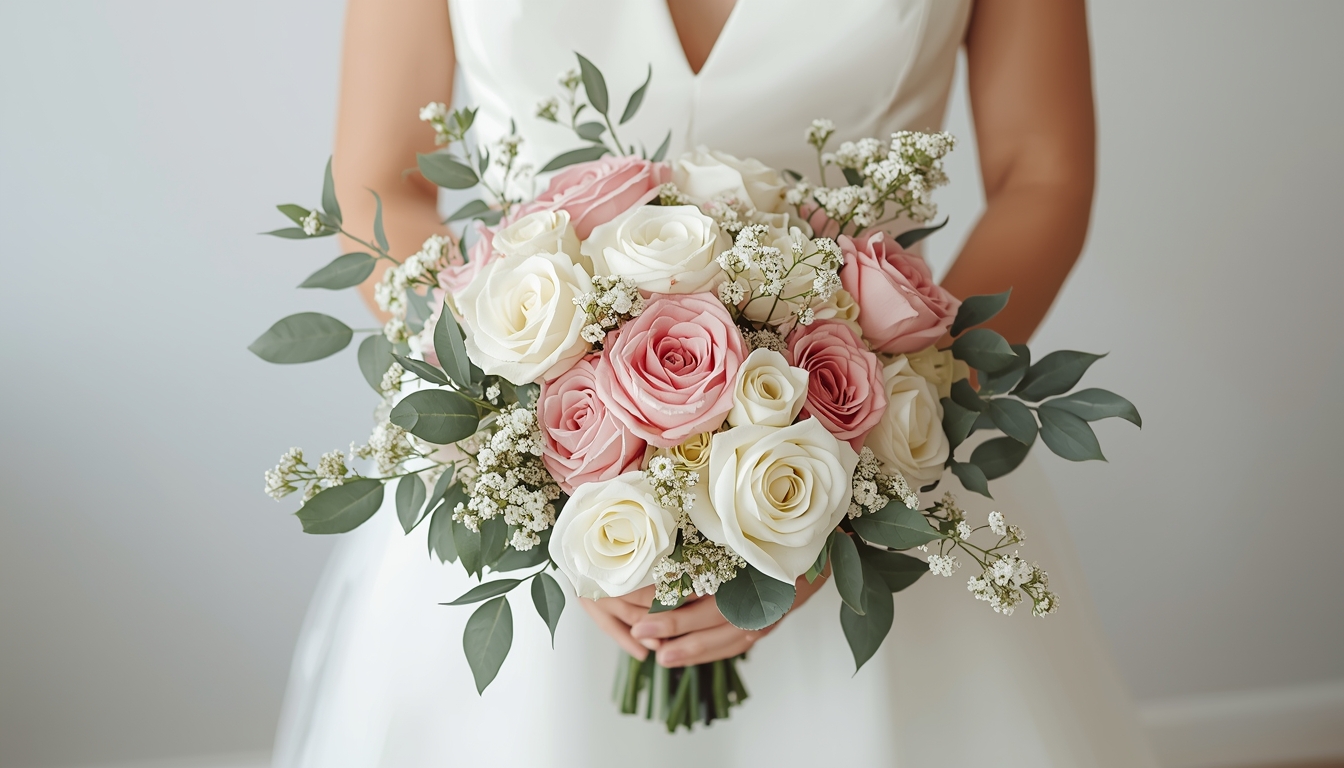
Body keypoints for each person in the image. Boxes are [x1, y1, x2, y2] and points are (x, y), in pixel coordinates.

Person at [274, 1, 1157, 765]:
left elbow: (1043, 173)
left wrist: (850, 492)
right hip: (537, 476)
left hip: (885, 431)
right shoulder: (531, 477)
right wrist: (538, 473)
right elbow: (376, 189)